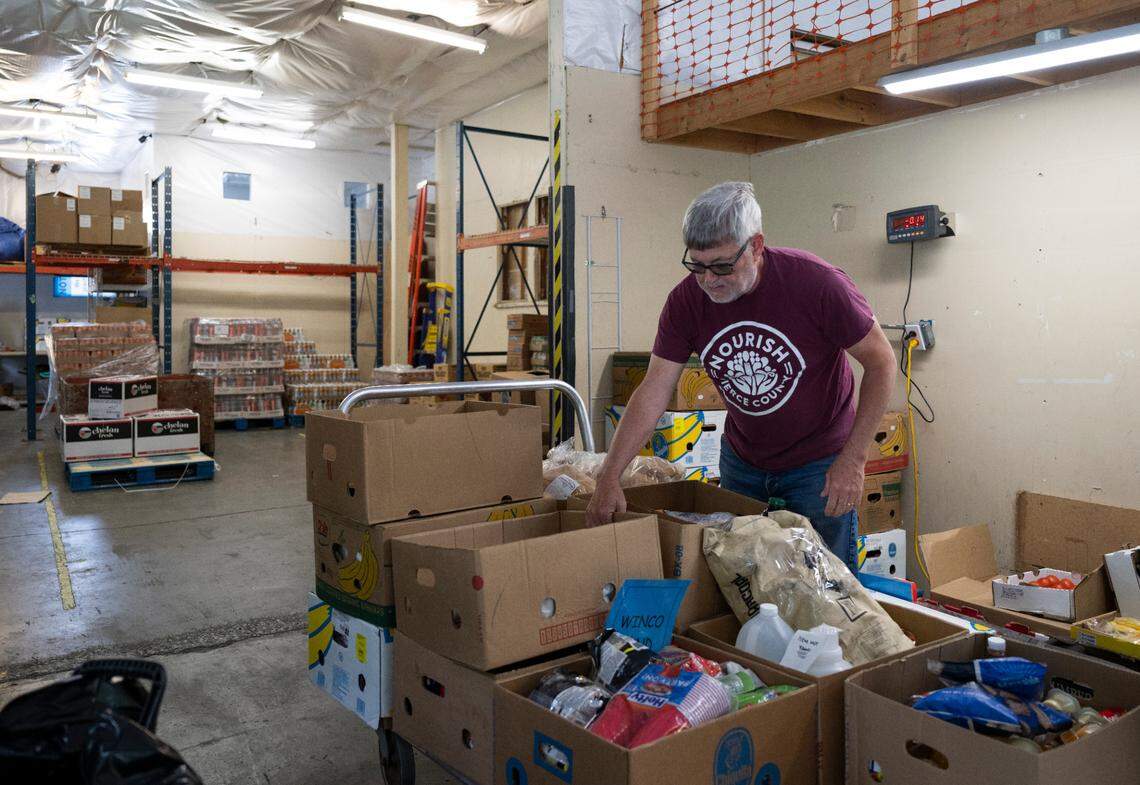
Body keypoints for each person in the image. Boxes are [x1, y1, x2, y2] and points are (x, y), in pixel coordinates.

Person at [586, 182, 897, 569]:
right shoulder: (686, 302)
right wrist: (609, 475)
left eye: (721, 265)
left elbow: (882, 362)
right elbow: (654, 389)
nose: (708, 280)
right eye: (696, 266)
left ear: (756, 246)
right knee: (742, 578)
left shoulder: (816, 284)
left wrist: (854, 459)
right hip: (743, 462)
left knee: (827, 588)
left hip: (819, 463)